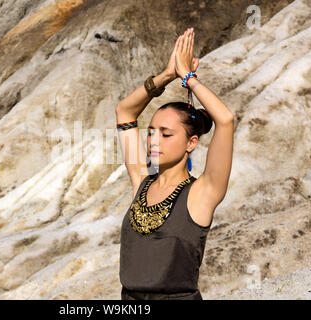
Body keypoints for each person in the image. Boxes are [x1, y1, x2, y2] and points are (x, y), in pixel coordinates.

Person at [115, 27, 234, 300]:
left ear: (191, 143)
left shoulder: (203, 193)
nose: (154, 140)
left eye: (166, 134)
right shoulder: (141, 182)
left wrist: (188, 77)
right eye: (151, 132)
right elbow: (125, 111)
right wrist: (167, 75)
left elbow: (225, 119)